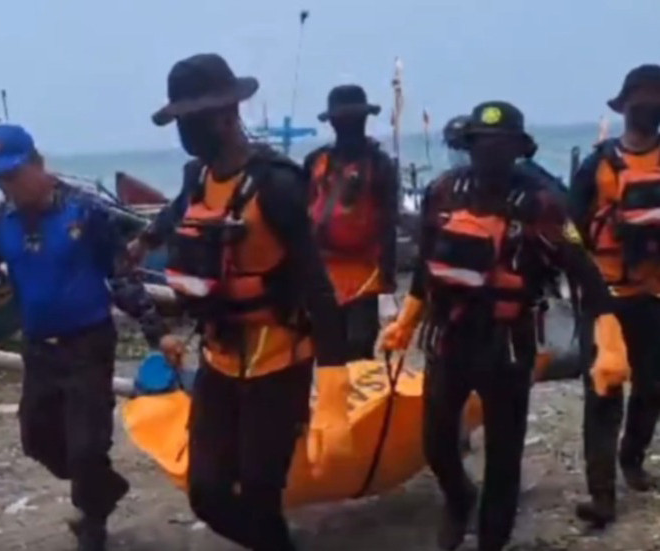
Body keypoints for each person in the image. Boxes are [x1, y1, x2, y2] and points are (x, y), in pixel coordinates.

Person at [380, 101, 629, 551]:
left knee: (503, 454)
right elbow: (426, 266)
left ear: (517, 149)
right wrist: (405, 321)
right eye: (481, 144)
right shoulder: (443, 192)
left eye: (501, 145)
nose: (490, 153)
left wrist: (610, 344)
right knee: (436, 442)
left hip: (508, 344)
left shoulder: (542, 205)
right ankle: (459, 498)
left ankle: (492, 540)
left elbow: (585, 273)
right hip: (449, 337)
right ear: (468, 146)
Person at [0, 124, 176, 551]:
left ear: (38, 163)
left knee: (86, 447)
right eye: (0, 179)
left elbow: (121, 275)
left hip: (89, 345)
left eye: (15, 174)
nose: (9, 186)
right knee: (38, 440)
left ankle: (93, 523)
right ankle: (105, 488)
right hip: (39, 349)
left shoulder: (85, 211)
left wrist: (158, 333)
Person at [149, 53, 349, 551]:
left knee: (261, 492)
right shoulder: (197, 176)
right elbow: (176, 214)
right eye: (180, 122)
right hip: (219, 355)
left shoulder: (277, 184)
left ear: (226, 114)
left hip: (278, 358)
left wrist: (334, 393)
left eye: (192, 120)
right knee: (207, 494)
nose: (186, 132)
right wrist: (141, 241)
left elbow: (318, 288)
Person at [569, 64, 660, 527]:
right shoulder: (597, 166)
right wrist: (581, 281)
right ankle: (601, 494)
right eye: (640, 100)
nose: (647, 108)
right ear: (624, 107)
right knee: (603, 389)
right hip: (604, 295)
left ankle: (632, 457)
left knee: (652, 387)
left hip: (655, 295)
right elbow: (571, 229)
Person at [303, 84, 399, 359]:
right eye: (342, 119)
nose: (347, 124)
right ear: (332, 122)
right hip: (322, 274)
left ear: (364, 120)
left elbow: (389, 222)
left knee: (359, 347)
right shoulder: (315, 161)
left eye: (354, 118)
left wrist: (388, 283)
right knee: (327, 350)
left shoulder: (380, 164)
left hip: (364, 274)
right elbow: (300, 215)